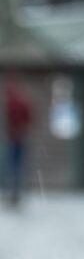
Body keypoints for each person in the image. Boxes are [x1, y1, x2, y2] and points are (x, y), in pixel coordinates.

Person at [4, 76, 32, 208]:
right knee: (16, 167)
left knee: (14, 167)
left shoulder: (14, 103)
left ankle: (14, 193)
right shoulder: (20, 102)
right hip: (16, 138)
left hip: (15, 139)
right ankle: (14, 193)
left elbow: (27, 119)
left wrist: (18, 131)